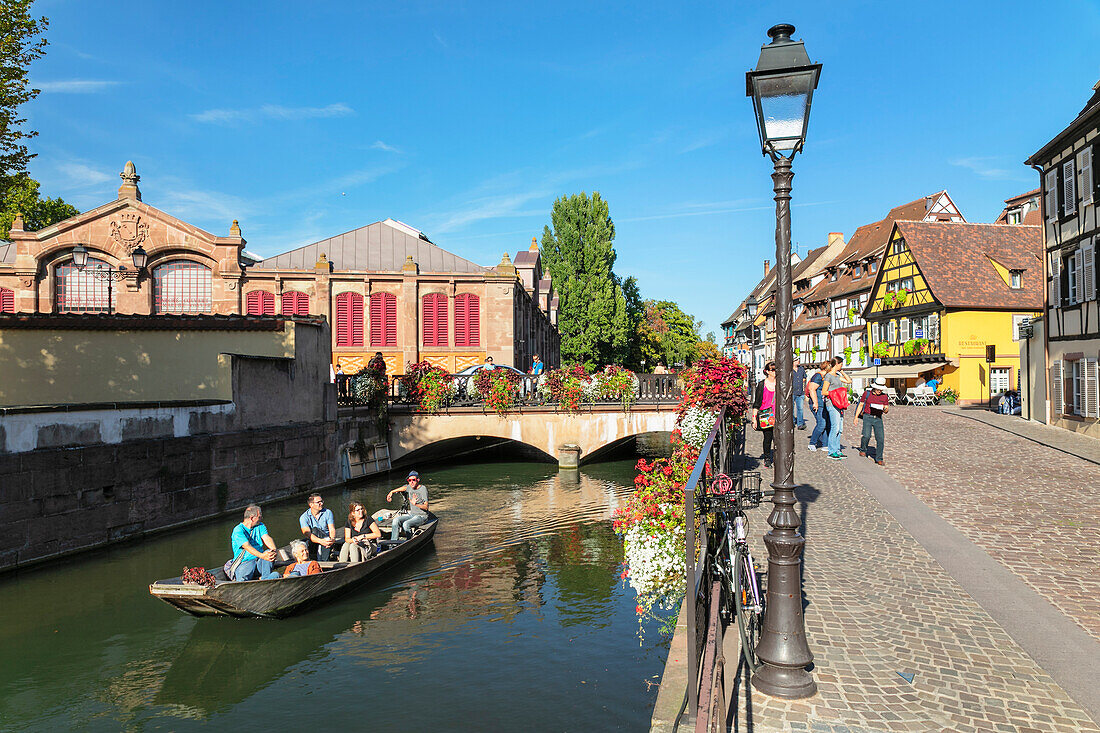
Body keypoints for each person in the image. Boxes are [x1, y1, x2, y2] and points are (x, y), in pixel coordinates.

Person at [228, 505, 281, 581]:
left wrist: (274, 550)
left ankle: (266, 579)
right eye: (259, 517)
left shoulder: (260, 525)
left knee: (269, 553)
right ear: (252, 518)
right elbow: (247, 546)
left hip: (259, 561)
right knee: (243, 581)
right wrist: (262, 555)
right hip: (245, 563)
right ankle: (267, 579)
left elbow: (266, 538)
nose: (261, 519)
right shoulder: (238, 530)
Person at [387, 470, 430, 540]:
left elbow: (426, 507)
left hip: (422, 517)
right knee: (395, 520)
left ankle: (409, 541)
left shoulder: (423, 489)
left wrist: (416, 504)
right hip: (412, 515)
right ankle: (393, 543)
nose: (411, 482)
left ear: (418, 480)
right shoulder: (410, 487)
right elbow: (403, 488)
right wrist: (392, 492)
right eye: (409, 480)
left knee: (406, 524)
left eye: (413, 480)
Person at [856, 377, 890, 465]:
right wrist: (856, 417)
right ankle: (863, 449)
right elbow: (861, 405)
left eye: (881, 389)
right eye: (878, 388)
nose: (879, 390)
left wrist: (885, 409)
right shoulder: (867, 394)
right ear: (874, 387)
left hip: (878, 418)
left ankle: (879, 458)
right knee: (866, 435)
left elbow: (886, 409)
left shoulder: (884, 396)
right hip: (867, 416)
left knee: (880, 438)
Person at [751, 361, 778, 468]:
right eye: (773, 370)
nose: (775, 372)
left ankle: (779, 458)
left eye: (776, 369)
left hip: (779, 415)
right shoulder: (762, 384)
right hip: (766, 416)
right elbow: (756, 402)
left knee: (779, 439)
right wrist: (754, 418)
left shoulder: (780, 383)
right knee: (768, 438)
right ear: (767, 372)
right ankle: (767, 458)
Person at [822, 359, 848, 460]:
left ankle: (837, 450)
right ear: (836, 364)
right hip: (832, 404)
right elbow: (824, 391)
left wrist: (842, 371)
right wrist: (836, 393)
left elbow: (849, 381)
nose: (842, 365)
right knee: (835, 428)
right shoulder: (828, 376)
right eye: (841, 364)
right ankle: (831, 451)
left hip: (840, 403)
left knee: (840, 429)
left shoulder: (837, 376)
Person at [299, 494, 337, 561]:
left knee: (325, 539)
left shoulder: (328, 512)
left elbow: (332, 529)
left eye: (322, 501)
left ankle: (324, 562)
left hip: (327, 540)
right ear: (311, 504)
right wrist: (322, 541)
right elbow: (307, 534)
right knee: (315, 530)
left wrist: (332, 539)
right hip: (314, 541)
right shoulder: (304, 517)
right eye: (318, 502)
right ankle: (322, 560)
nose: (321, 503)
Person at [806, 359, 830, 452]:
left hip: (824, 404)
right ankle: (812, 443)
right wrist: (815, 403)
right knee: (821, 424)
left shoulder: (826, 377)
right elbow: (812, 389)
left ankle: (825, 444)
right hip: (818, 404)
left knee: (826, 424)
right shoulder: (818, 376)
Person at [792, 356, 807, 430]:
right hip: (792, 392)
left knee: (800, 408)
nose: (798, 361)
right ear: (793, 361)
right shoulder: (789, 370)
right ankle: (792, 421)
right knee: (791, 408)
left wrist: (801, 382)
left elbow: (804, 377)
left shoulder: (801, 369)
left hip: (800, 392)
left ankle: (800, 424)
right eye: (797, 360)